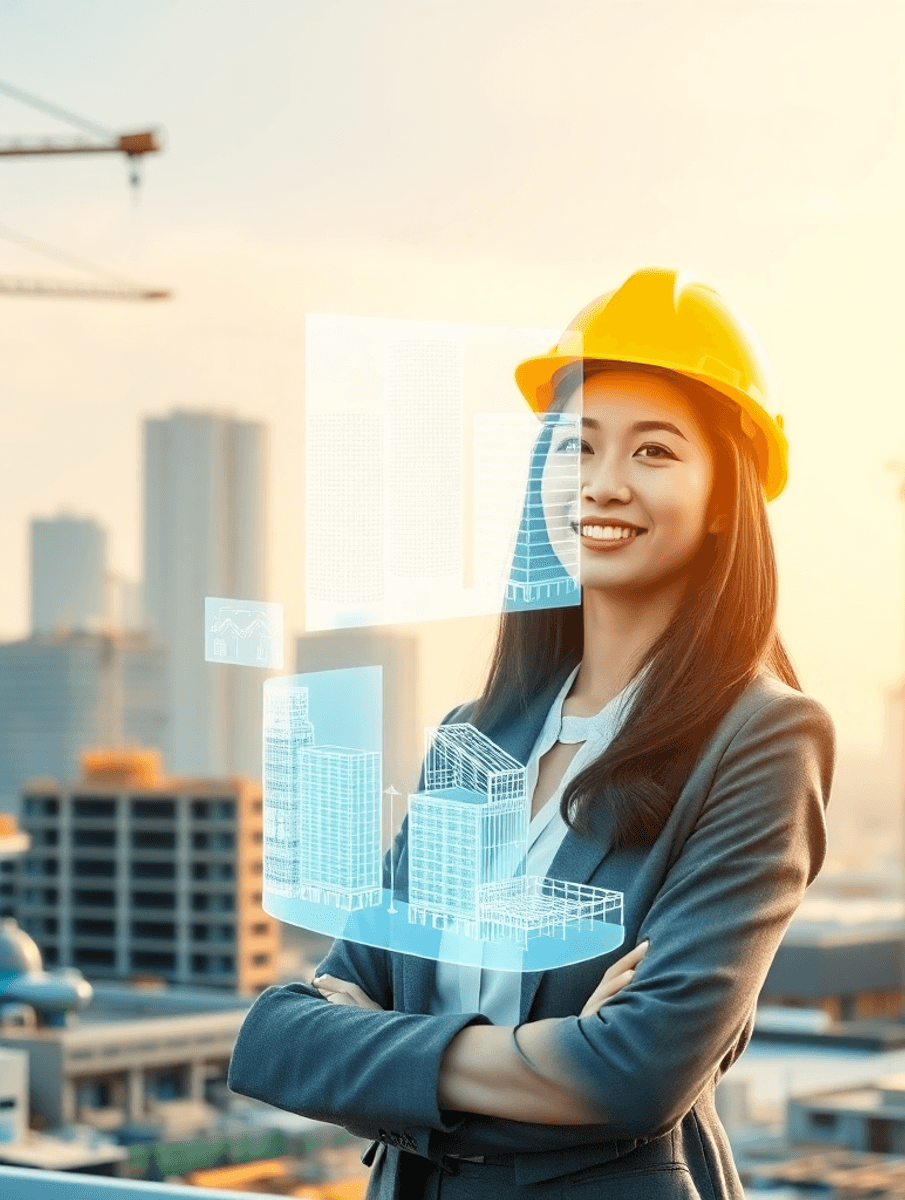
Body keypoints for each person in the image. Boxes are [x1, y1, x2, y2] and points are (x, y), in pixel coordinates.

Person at [228, 267, 834, 1199]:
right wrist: (555, 1058)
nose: (604, 483)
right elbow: (279, 1041)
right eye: (576, 446)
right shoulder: (470, 745)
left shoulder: (761, 741)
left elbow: (637, 1073)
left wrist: (382, 1060)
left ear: (726, 496)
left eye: (655, 451)